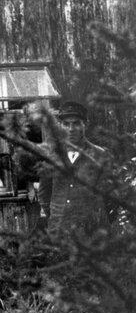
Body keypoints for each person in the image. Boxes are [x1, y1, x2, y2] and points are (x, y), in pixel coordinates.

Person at [38, 101, 109, 235]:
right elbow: (44, 194)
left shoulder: (99, 155)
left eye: (76, 123)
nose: (71, 129)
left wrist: (96, 219)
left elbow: (110, 197)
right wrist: (56, 217)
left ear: (85, 125)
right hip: (60, 231)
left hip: (91, 233)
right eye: (66, 124)